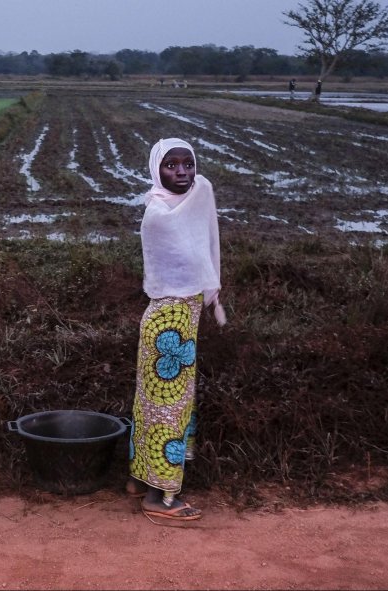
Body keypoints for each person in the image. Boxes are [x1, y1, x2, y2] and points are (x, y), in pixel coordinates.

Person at [126, 139, 225, 522]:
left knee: (155, 404)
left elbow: (205, 227)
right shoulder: (159, 215)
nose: (182, 172)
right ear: (156, 170)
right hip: (168, 323)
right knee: (168, 407)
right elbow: (192, 259)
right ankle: (161, 497)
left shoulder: (197, 195)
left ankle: (139, 480)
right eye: (171, 165)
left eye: (188, 164)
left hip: (184, 318)